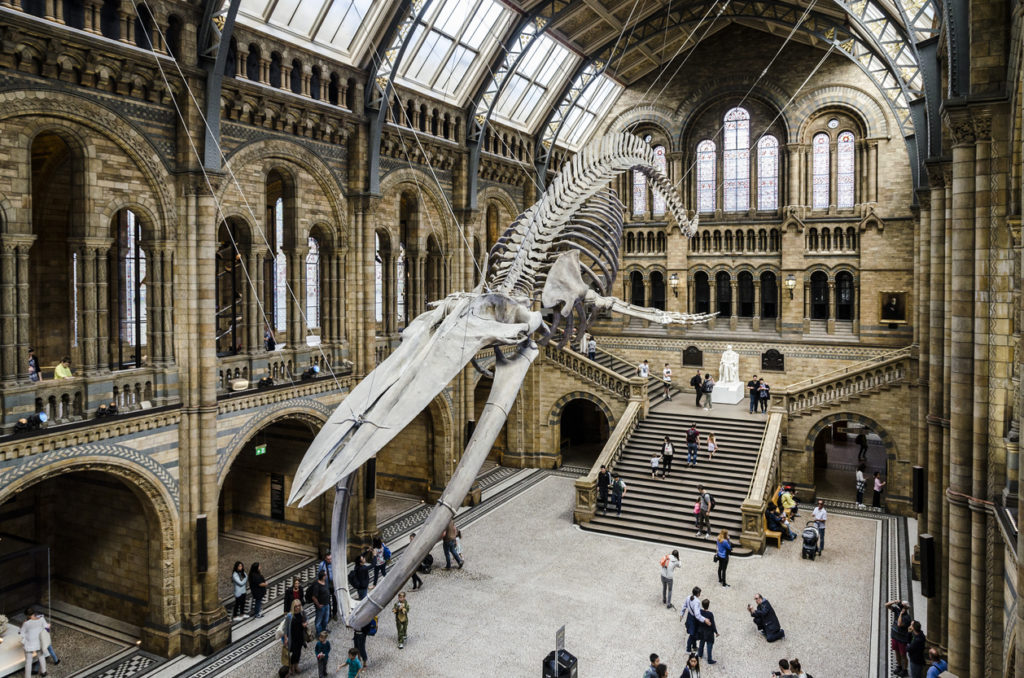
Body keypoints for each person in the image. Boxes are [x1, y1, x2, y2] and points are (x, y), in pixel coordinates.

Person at [680, 587, 712, 653]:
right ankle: (688, 649)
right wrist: (704, 619)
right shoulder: (697, 601)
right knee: (692, 634)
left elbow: (684, 606)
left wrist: (682, 614)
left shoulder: (688, 597)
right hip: (693, 619)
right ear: (698, 594)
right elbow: (697, 615)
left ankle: (694, 646)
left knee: (693, 633)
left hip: (689, 616)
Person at [886, 599, 912, 676]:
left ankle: (905, 670)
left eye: (902, 605)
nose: (900, 606)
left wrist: (901, 614)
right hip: (895, 636)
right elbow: (887, 605)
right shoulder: (897, 610)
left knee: (903, 655)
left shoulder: (907, 618)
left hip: (902, 639)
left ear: (905, 608)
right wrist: (894, 602)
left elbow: (899, 624)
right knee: (897, 652)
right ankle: (899, 666)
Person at [19, 608, 47, 678]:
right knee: (41, 656)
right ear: (34, 613)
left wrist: (22, 626)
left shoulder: (26, 623)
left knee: (28, 661)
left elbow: (21, 633)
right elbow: (46, 627)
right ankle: (44, 671)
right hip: (39, 642)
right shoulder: (41, 619)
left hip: (29, 643)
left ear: (27, 615)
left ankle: (27, 676)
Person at [285, 599, 308, 675]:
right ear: (293, 607)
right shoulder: (290, 616)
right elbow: (286, 628)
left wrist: (305, 624)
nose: (298, 607)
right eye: (296, 606)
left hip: (300, 636)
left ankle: (296, 666)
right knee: (294, 653)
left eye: (299, 606)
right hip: (293, 637)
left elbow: (306, 621)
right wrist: (286, 638)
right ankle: (291, 667)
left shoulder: (302, 613)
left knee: (298, 653)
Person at [696, 599, 718, 665]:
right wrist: (716, 632)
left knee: (701, 643)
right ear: (708, 605)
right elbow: (713, 624)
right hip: (709, 633)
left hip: (702, 631)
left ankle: (700, 654)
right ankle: (709, 659)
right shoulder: (710, 614)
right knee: (709, 646)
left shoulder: (700, 612)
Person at [317, 553, 338, 620]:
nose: (330, 560)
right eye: (328, 559)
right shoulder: (322, 565)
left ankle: (334, 613)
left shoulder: (335, 563)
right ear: (325, 559)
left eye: (331, 559)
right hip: (326, 585)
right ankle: (328, 615)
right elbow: (319, 575)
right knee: (327, 601)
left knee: (335, 600)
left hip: (334, 585)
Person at [311, 569, 331, 634]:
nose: (327, 576)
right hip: (321, 606)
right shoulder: (317, 585)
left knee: (325, 619)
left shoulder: (325, 582)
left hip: (327, 604)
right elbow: (314, 597)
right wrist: (318, 605)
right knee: (318, 621)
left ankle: (324, 630)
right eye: (325, 575)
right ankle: (319, 633)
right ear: (323, 576)